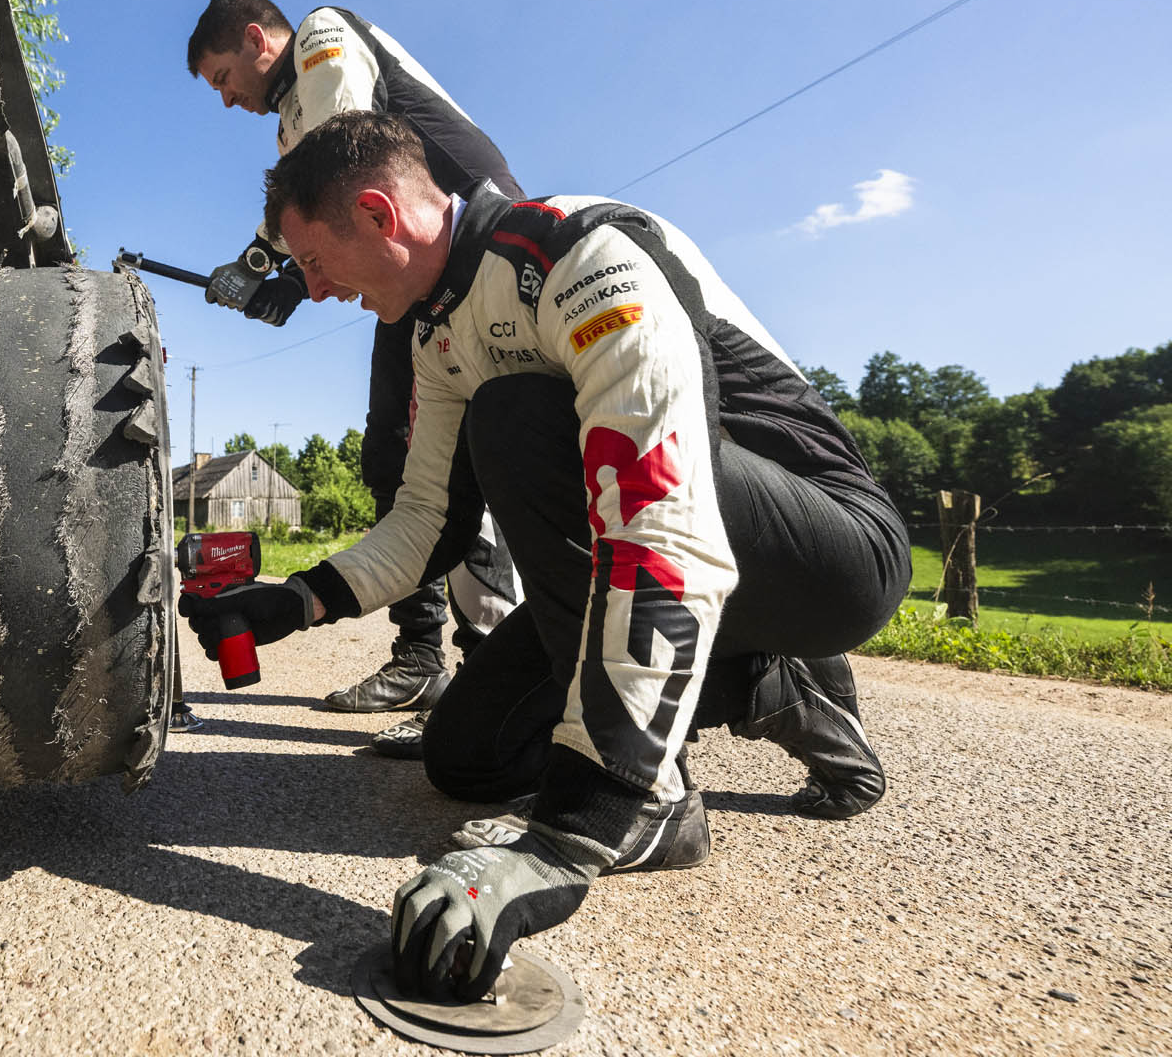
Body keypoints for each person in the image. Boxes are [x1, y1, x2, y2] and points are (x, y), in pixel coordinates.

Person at [178, 112, 910, 1001]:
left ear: (377, 214)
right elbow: (430, 522)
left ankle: (655, 793)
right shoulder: (438, 331)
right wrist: (295, 601)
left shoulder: (578, 253)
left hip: (830, 557)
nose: (318, 289)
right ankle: (755, 684)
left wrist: (576, 828)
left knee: (518, 416)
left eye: (315, 261)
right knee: (467, 757)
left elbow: (660, 514)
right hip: (679, 555)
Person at [185, 0, 522, 730]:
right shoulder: (290, 117)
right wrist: (277, 271)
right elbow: (316, 203)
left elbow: (340, 164)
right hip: (417, 278)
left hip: (469, 256)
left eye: (222, 78)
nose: (226, 99)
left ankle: (492, 672)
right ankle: (424, 656)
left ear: (256, 38)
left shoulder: (323, 37)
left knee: (461, 459)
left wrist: (274, 269)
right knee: (391, 455)